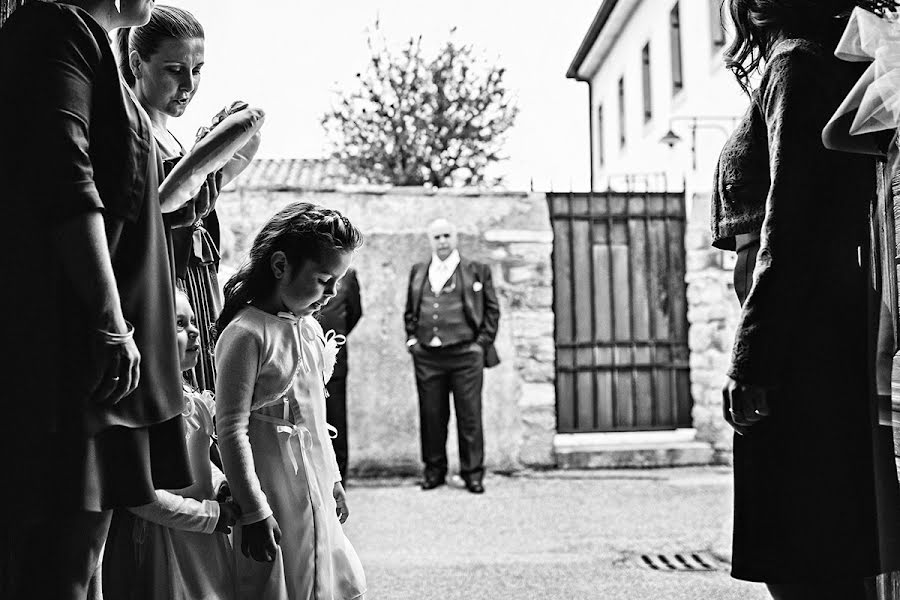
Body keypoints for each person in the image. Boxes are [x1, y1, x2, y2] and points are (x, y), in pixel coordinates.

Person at [0, 2, 194, 598]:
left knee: (81, 564)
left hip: (103, 354)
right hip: (80, 353)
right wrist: (111, 323)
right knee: (60, 566)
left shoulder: (87, 42)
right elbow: (66, 181)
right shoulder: (53, 26)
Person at [713, 1, 900, 598]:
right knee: (818, 551)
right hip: (810, 321)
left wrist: (753, 358)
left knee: (806, 559)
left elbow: (789, 228)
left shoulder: (797, 64)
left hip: (802, 337)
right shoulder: (814, 61)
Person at [215, 203, 367, 599]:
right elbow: (231, 429)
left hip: (314, 485)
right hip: (272, 488)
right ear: (280, 265)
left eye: (337, 281)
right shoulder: (246, 333)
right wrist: (253, 508)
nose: (332, 292)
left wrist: (333, 478)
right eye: (322, 279)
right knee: (279, 581)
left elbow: (317, 418)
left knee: (325, 576)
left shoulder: (312, 330)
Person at [117, 6, 262, 391]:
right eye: (174, 69)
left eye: (197, 71)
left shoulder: (177, 140)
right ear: (137, 62)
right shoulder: (130, 135)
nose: (189, 85)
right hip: (163, 296)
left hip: (200, 293)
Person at [103, 290, 241, 599]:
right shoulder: (140, 407)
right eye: (179, 324)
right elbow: (139, 496)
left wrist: (220, 486)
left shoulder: (189, 395)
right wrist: (209, 517)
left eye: (192, 321)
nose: (194, 331)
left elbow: (197, 461)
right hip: (159, 539)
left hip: (200, 535)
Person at [404, 218, 500, 494]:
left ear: (455, 238)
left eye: (447, 235)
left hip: (465, 354)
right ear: (430, 240)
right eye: (437, 237)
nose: (443, 241)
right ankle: (434, 471)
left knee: (469, 416)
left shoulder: (476, 270)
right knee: (432, 415)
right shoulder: (419, 270)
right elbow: (410, 310)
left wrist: (480, 344)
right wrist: (412, 340)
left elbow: (492, 310)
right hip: (428, 356)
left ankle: (473, 473)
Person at [316, 268, 363, 480]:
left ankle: (339, 476)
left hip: (334, 360)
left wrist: (334, 342)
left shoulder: (349, 275)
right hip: (302, 358)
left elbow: (355, 312)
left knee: (336, 418)